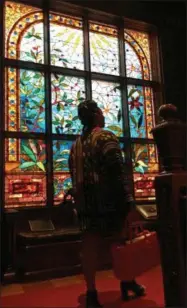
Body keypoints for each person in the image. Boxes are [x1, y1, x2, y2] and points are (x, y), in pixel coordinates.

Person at [68, 100, 146, 308]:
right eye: (101, 111)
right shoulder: (106, 136)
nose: (103, 115)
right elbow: (117, 172)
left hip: (85, 204)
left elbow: (73, 174)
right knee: (120, 243)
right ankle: (127, 281)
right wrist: (129, 202)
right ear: (96, 115)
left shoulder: (76, 144)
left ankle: (91, 293)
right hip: (109, 202)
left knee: (89, 248)